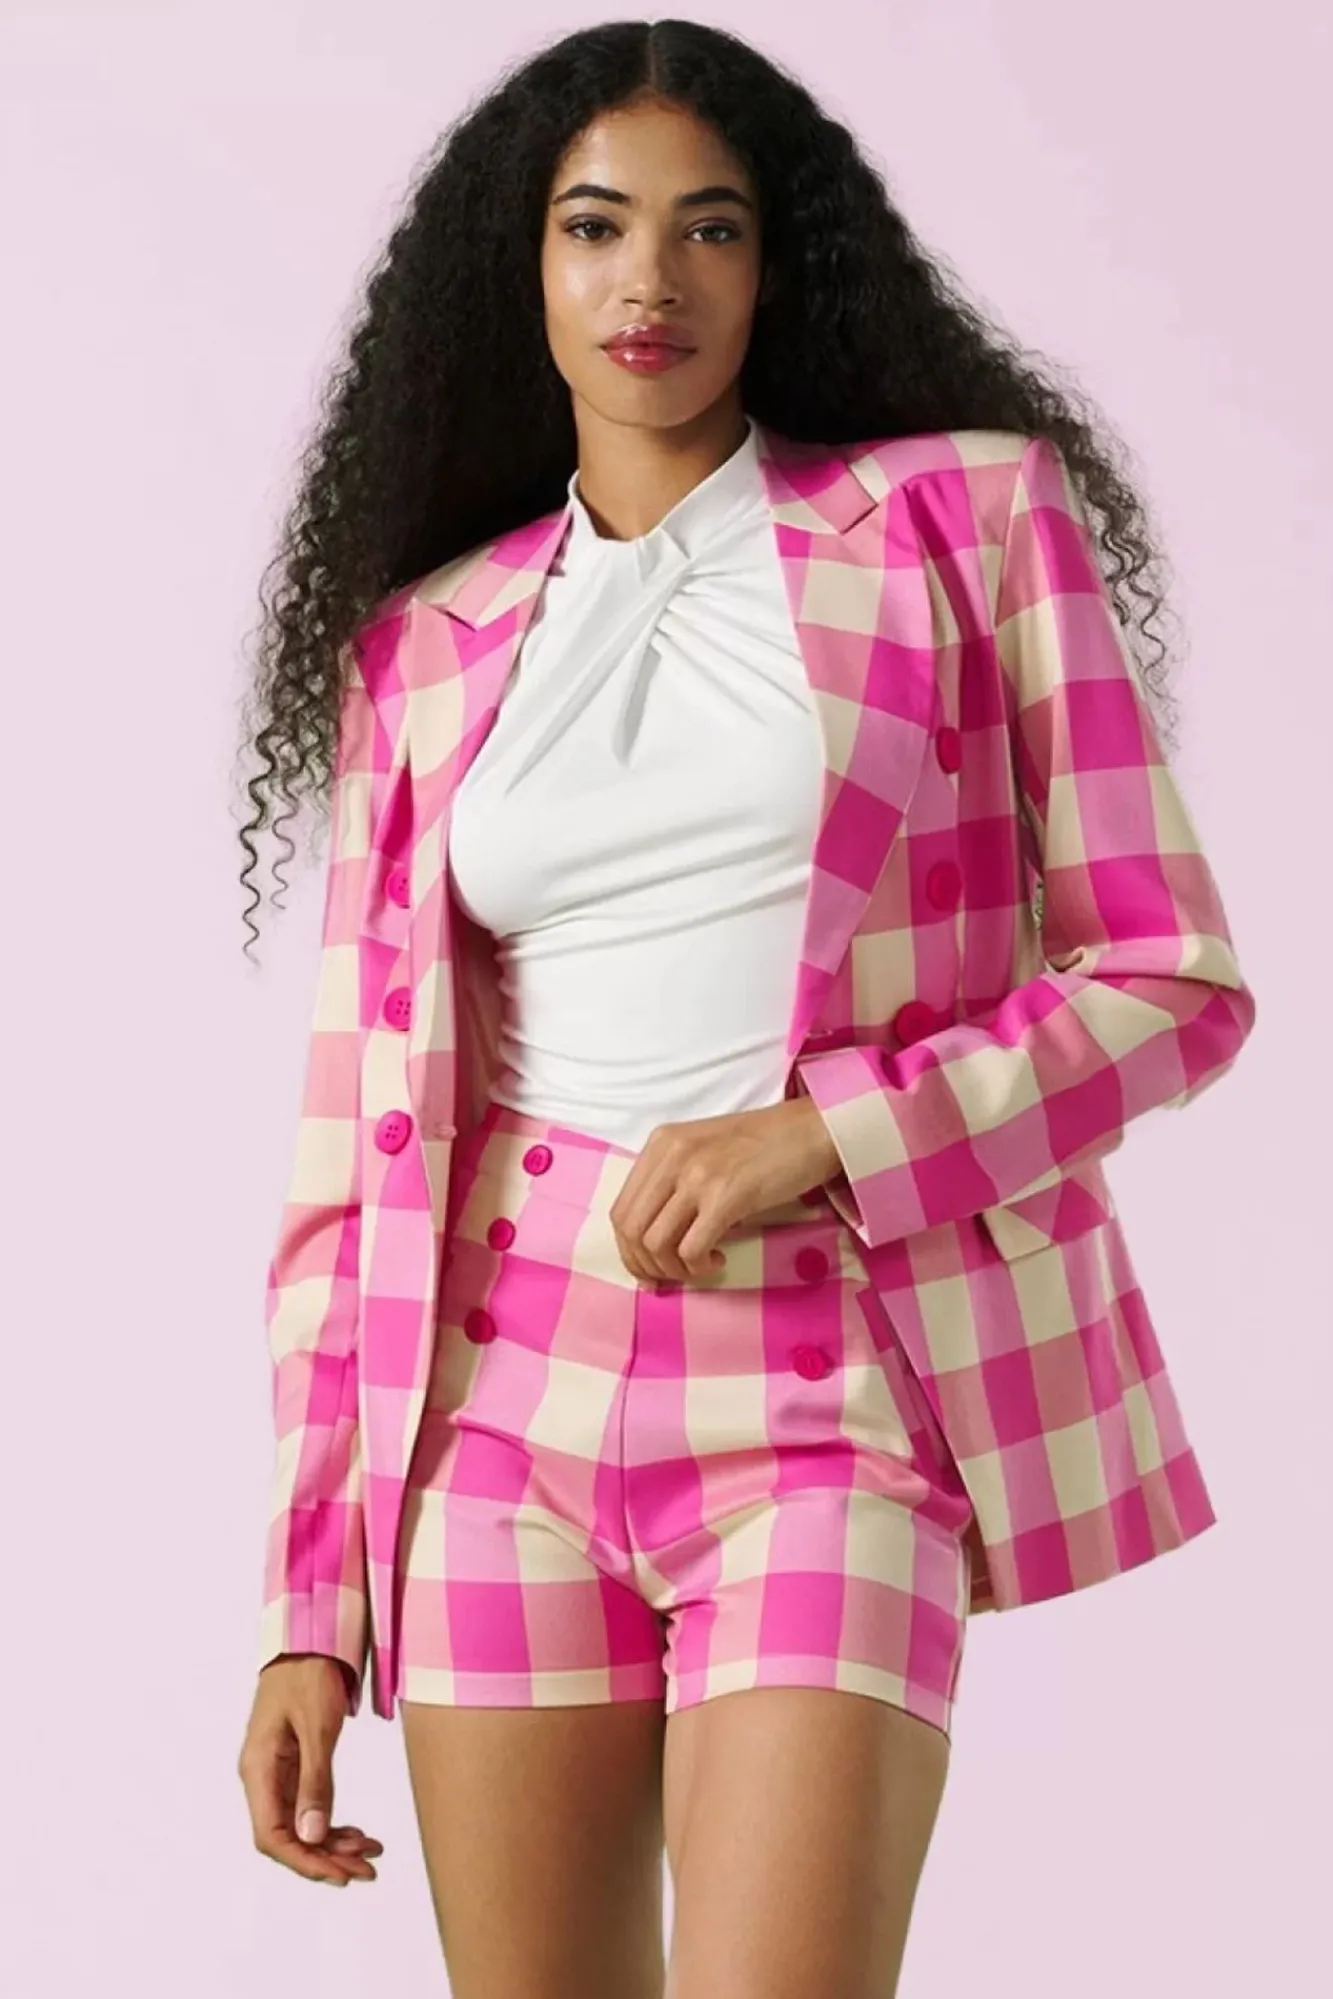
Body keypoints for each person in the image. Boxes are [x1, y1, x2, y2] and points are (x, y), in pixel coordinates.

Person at [233, 19, 1256, 1997]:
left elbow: (1170, 980)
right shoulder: (423, 650)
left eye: (710, 228)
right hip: (498, 1420)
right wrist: (306, 1603)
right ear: (522, 268)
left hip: (831, 1395)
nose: (653, 279)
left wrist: (829, 1134)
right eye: (595, 226)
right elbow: (353, 1165)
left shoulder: (968, 525)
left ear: (778, 267)